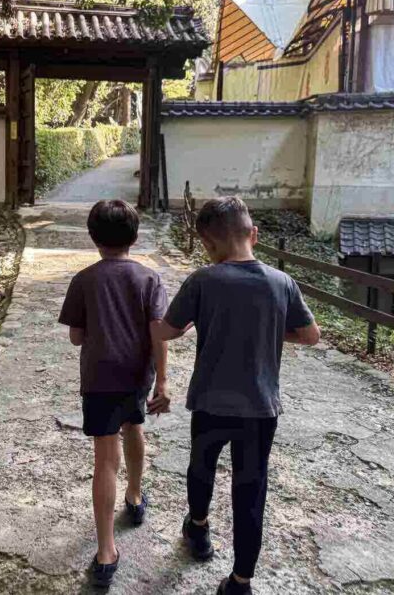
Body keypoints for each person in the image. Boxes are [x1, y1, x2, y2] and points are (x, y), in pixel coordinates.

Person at [153, 196, 320, 595]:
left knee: (201, 466)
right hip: (261, 410)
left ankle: (199, 530)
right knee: (251, 488)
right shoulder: (282, 282)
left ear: (208, 245)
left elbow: (167, 331)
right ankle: (241, 581)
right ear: (254, 235)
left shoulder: (203, 280)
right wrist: (263, 327)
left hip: (210, 402)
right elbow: (311, 336)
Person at [59, 199, 171, 589]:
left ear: (92, 237)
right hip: (137, 374)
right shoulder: (149, 279)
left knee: (105, 458)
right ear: (135, 237)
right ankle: (136, 497)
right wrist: (164, 382)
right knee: (134, 427)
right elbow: (159, 332)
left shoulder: (84, 280)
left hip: (99, 376)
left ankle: (106, 552)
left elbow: (76, 337)